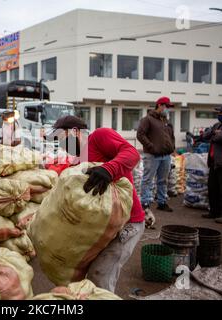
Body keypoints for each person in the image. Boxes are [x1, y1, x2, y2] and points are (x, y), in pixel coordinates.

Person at [49, 115, 145, 292]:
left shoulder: (99, 136)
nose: (61, 144)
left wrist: (108, 169)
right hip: (99, 229)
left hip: (127, 223)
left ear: (75, 132)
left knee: (100, 276)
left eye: (61, 138)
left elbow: (132, 154)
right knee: (82, 278)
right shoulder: (77, 161)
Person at [137, 96, 176, 212]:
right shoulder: (148, 119)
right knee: (148, 180)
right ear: (160, 105)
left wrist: (172, 148)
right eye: (167, 106)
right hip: (152, 155)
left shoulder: (166, 121)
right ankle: (145, 203)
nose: (168, 109)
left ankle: (162, 202)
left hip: (166, 156)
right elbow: (140, 135)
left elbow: (171, 137)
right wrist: (151, 147)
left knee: (163, 180)